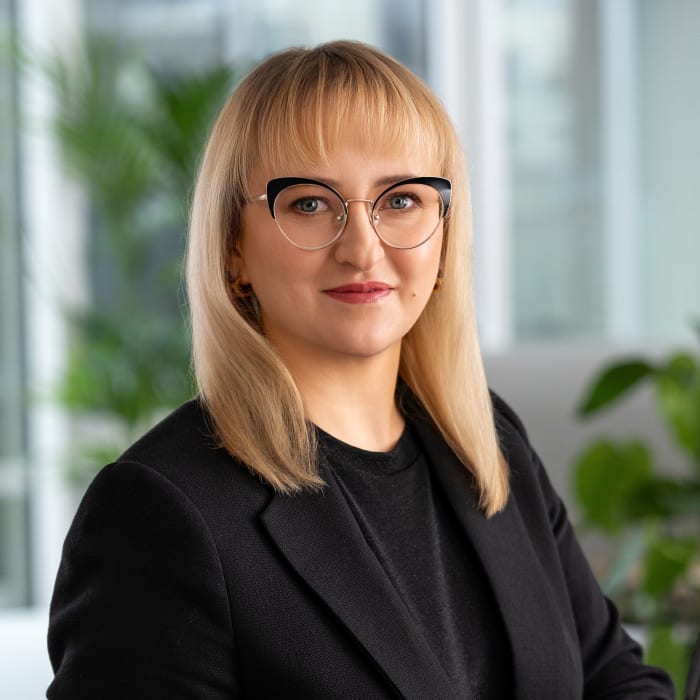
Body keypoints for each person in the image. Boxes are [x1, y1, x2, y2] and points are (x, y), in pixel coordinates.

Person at [47, 40, 674, 699]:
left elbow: (614, 678)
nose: (362, 248)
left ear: (444, 234)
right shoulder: (159, 512)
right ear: (234, 248)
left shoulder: (489, 442)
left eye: (401, 200)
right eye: (309, 203)